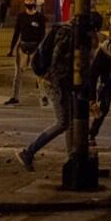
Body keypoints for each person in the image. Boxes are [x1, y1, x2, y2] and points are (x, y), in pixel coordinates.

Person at [16, 14, 101, 172]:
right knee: (63, 122)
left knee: (67, 122)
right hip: (55, 83)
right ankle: (28, 152)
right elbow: (56, 62)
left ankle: (71, 157)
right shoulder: (67, 34)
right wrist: (60, 86)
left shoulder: (74, 34)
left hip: (61, 83)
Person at [5, 0, 46, 105]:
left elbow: (43, 34)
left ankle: (44, 96)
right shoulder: (21, 16)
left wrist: (41, 48)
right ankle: (15, 96)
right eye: (26, 0)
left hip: (35, 48)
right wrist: (11, 48)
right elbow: (16, 32)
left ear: (34, 2)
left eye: (30, 0)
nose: (28, 2)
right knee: (17, 74)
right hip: (22, 47)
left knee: (39, 73)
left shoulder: (40, 17)